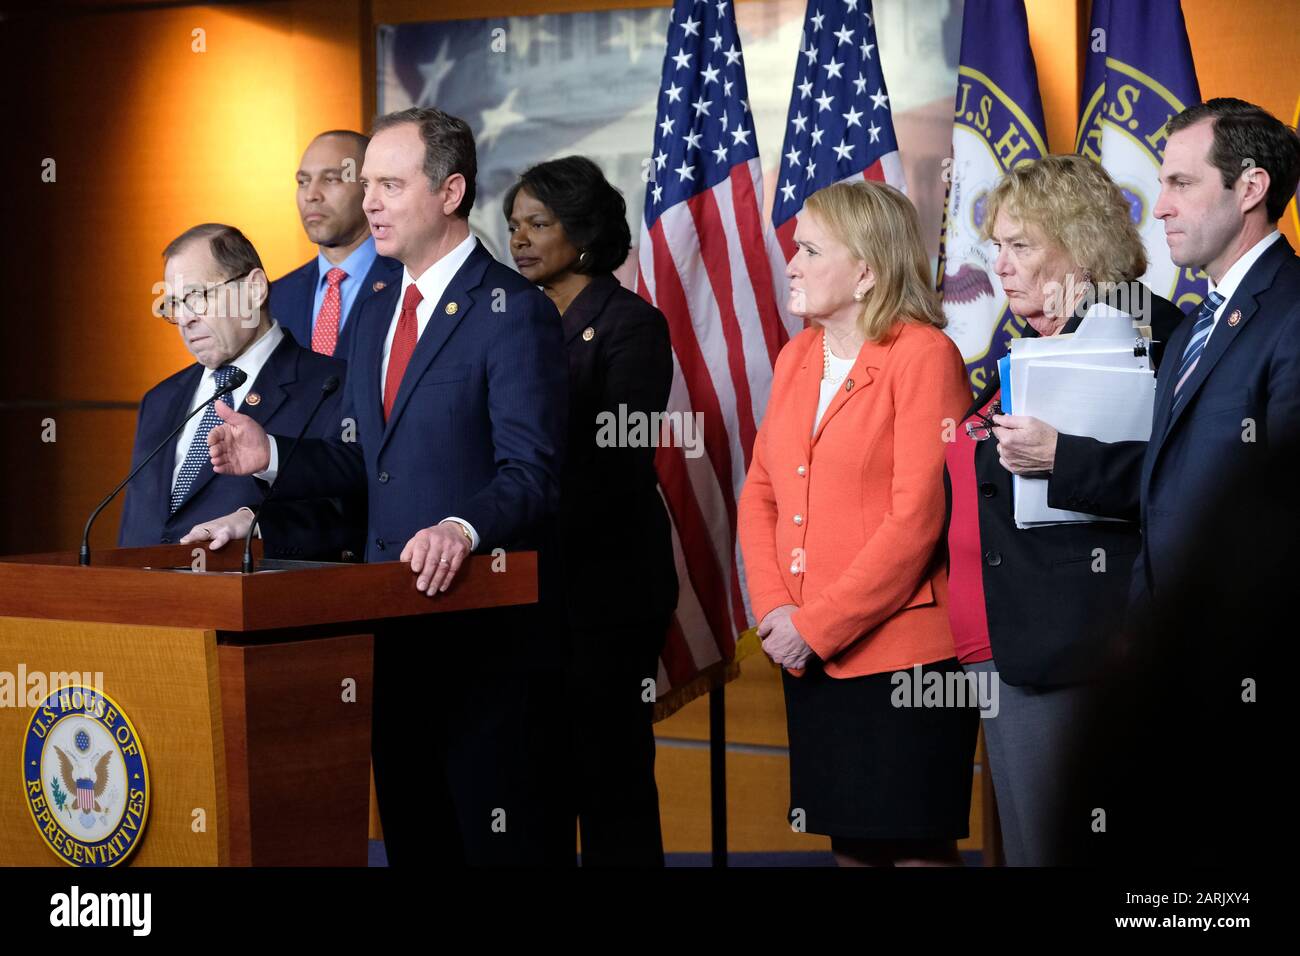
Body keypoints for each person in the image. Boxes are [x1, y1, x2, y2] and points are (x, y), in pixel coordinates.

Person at [203, 107, 569, 866]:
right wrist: (270, 456)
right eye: (365, 184)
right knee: (416, 844)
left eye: (389, 184)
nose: (367, 202)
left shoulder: (514, 312)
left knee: (500, 848)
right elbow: (359, 460)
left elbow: (532, 474)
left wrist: (460, 529)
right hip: (387, 636)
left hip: (483, 643)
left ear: (450, 191)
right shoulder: (373, 307)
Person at [943, 155, 1180, 866]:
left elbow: (1183, 481)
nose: (1001, 267)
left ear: (1080, 244)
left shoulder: (1152, 336)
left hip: (1084, 649)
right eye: (997, 248)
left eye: (1021, 246)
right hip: (1009, 648)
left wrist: (1064, 457)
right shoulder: (1035, 343)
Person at [737, 180, 976, 867]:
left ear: (867, 271)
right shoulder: (796, 358)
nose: (792, 262)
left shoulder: (924, 355)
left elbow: (916, 523)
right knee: (851, 846)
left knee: (914, 847)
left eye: (810, 249)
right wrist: (778, 609)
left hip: (904, 656)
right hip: (807, 651)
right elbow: (759, 497)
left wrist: (814, 626)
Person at [503, 156, 678, 867]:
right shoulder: (507, 321)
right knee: (531, 782)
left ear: (583, 233)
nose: (519, 240)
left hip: (606, 591)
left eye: (538, 224)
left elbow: (618, 464)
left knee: (611, 783)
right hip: (522, 591)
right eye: (513, 224)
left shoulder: (632, 324)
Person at [1130, 97, 1300, 612]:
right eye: (1162, 185)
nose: (1159, 206)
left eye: (1181, 183)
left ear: (1250, 188)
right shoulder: (1190, 330)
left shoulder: (1292, 311)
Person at [119, 223, 361, 561]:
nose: (185, 318)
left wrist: (258, 525)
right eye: (174, 303)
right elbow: (138, 528)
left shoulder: (333, 385)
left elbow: (352, 514)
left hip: (252, 601)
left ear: (255, 289)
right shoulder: (159, 400)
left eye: (197, 296)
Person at [269, 130, 401, 357]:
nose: (311, 195)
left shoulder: (411, 281)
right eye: (303, 181)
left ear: (370, 188)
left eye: (331, 179)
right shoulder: (276, 297)